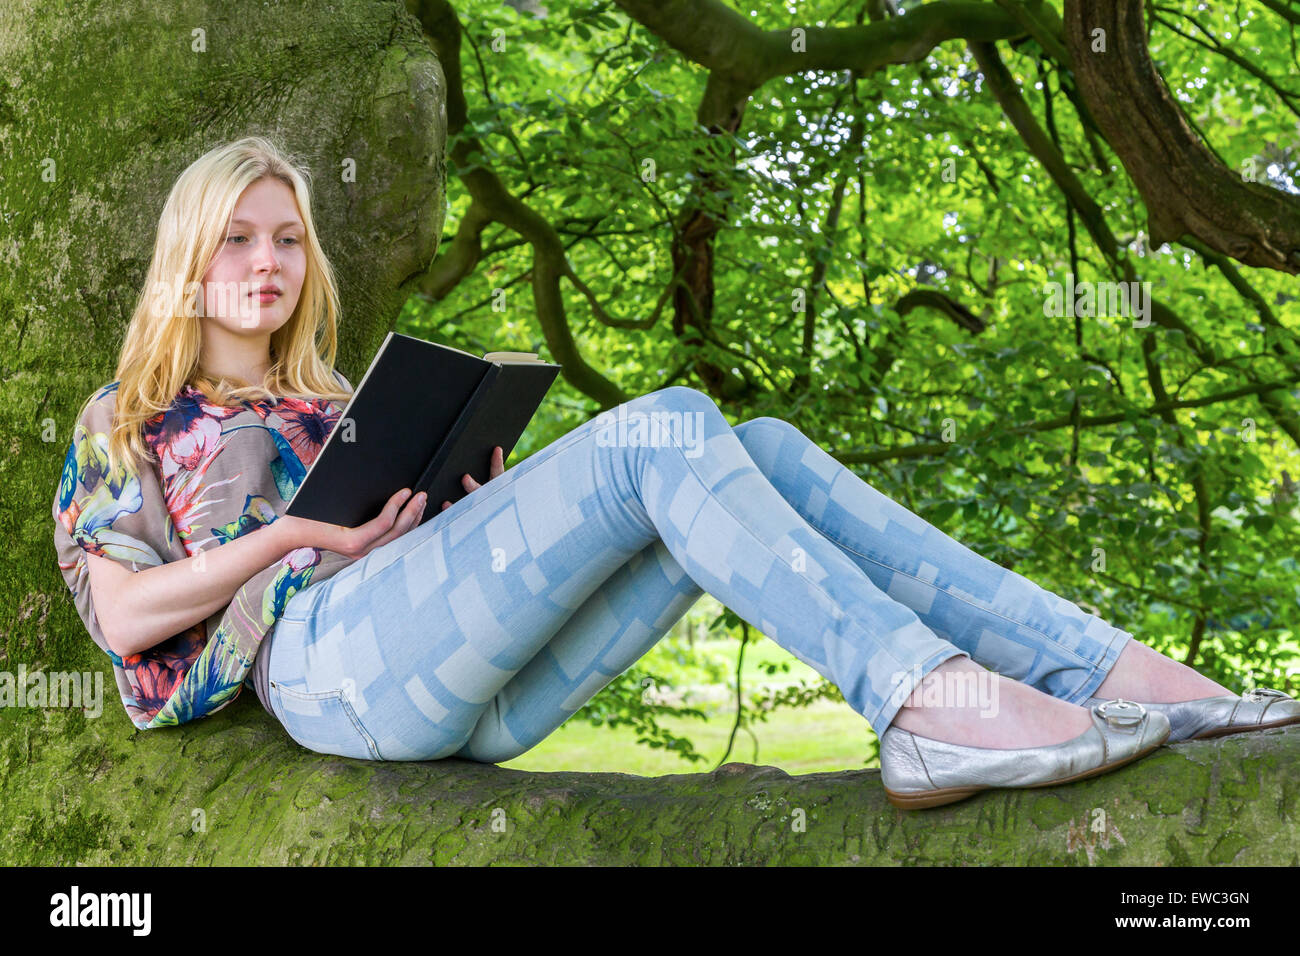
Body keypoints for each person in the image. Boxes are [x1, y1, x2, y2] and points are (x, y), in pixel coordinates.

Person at [52, 137, 1300, 811]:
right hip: (324, 668)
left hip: (460, 685)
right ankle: (924, 701)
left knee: (747, 448)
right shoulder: (132, 417)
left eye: (286, 237)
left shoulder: (334, 404)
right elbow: (122, 616)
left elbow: (417, 540)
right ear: (189, 255)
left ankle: (1109, 672)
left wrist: (460, 506)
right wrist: (292, 543)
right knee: (663, 423)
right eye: (237, 236)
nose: (266, 260)